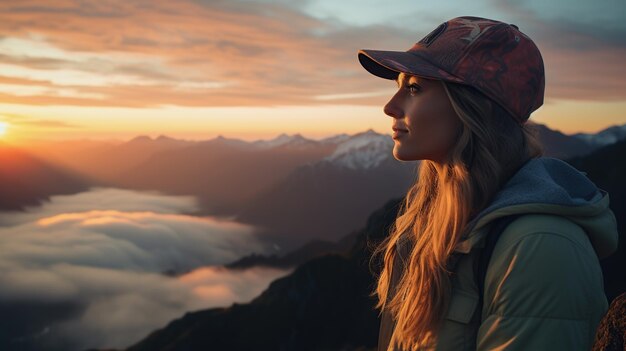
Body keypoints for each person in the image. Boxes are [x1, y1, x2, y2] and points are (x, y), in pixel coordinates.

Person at [357, 16, 619, 351]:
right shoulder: (429, 225)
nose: (390, 107)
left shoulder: (539, 247)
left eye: (413, 88)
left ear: (473, 106)